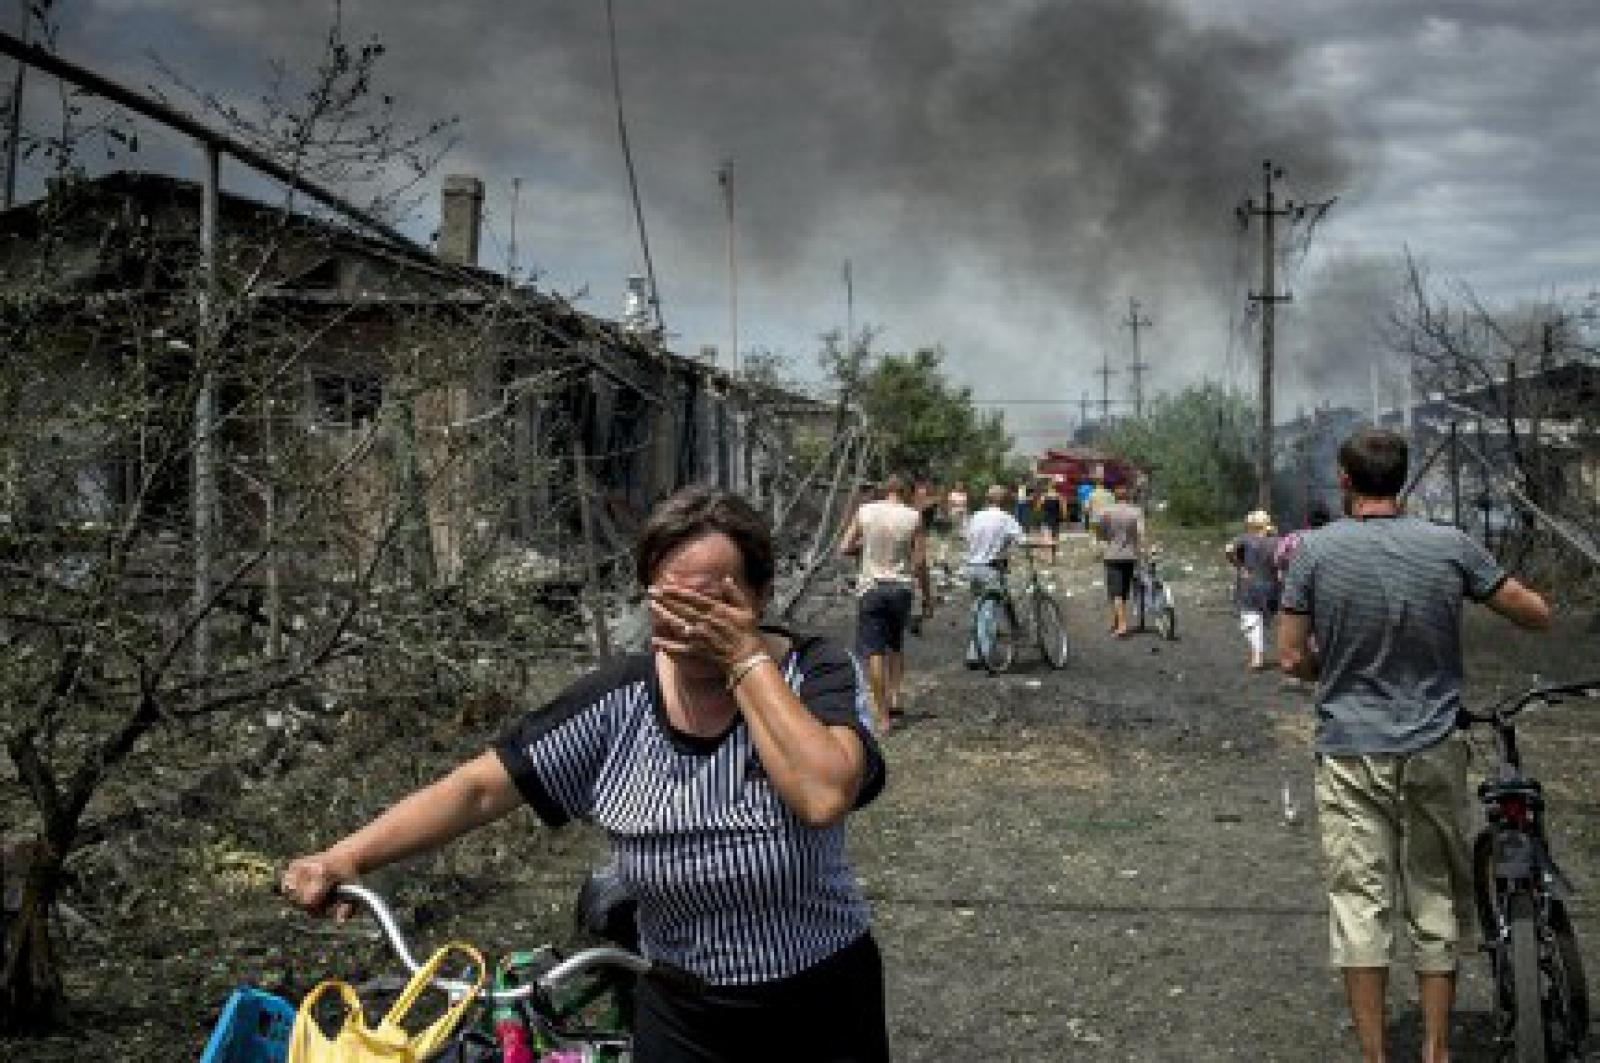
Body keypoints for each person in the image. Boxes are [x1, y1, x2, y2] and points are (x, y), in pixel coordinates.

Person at [281, 486, 890, 1063]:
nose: (688, 626)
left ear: (758, 598)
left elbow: (821, 793)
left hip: (821, 1001)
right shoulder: (618, 701)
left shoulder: (816, 675)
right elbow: (478, 788)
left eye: (712, 604)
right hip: (680, 1008)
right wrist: (346, 857)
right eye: (670, 604)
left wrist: (743, 658)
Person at [1278, 428, 1551, 1063]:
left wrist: (1339, 666)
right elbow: (1534, 612)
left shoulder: (1314, 553)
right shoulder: (1450, 544)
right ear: (1402, 480)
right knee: (1433, 894)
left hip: (1349, 750)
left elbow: (1290, 657)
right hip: (1433, 744)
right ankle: (1435, 1050)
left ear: (1345, 480)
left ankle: (1375, 1056)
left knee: (1359, 902)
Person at [841, 474, 929, 731]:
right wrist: (927, 596)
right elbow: (920, 561)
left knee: (874, 652)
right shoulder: (913, 517)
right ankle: (894, 695)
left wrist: (864, 547)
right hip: (901, 588)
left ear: (885, 490)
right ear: (907, 492)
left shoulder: (865, 511)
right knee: (895, 645)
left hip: (872, 587)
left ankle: (882, 716)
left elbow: (845, 547)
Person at [963, 484, 1024, 667]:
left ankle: (976, 649)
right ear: (1003, 500)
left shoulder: (976, 516)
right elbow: (1022, 540)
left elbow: (967, 537)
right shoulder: (1005, 518)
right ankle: (978, 656)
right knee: (988, 613)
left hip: (972, 567)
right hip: (991, 568)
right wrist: (1046, 543)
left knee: (977, 610)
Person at [1225, 510, 1282, 671]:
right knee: (1275, 620)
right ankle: (1287, 657)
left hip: (1250, 585)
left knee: (1251, 619)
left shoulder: (1244, 538)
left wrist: (1239, 566)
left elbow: (1228, 550)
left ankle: (1257, 657)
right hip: (1272, 585)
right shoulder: (1277, 541)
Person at [1092, 482, 1145, 637]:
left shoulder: (1106, 512)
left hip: (1112, 555)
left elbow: (1099, 531)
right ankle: (1115, 622)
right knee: (1123, 591)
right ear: (1128, 496)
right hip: (1130, 555)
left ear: (1114, 496)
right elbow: (1141, 534)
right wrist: (1143, 550)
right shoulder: (1136, 512)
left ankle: (1122, 625)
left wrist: (1104, 540)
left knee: (1115, 592)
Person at [1038, 481, 1064, 561]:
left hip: (1046, 518)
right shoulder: (1059, 496)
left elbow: (1039, 507)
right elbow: (1063, 509)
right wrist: (1062, 517)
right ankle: (1053, 556)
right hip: (1056, 519)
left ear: (1048, 487)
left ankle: (1046, 557)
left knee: (1046, 538)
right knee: (1055, 537)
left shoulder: (1044, 496)